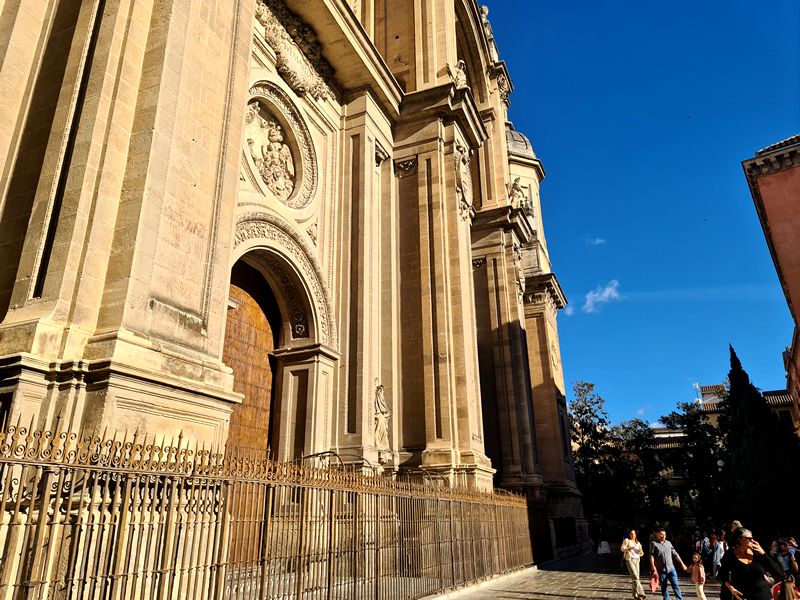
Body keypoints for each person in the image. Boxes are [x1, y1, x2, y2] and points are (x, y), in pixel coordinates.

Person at [719, 527, 783, 600]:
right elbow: (723, 575)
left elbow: (777, 572)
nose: (752, 541)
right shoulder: (730, 554)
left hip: (764, 596)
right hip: (743, 596)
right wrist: (732, 589)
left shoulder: (757, 553)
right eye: (749, 538)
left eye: (752, 538)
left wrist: (763, 553)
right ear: (739, 539)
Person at [650, 526, 689, 600]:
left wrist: (682, 564)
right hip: (661, 570)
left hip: (671, 569)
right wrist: (653, 566)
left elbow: (675, 554)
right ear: (657, 534)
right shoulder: (653, 544)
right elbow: (651, 555)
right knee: (664, 588)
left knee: (676, 586)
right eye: (661, 534)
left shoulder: (668, 543)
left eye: (664, 534)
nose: (663, 536)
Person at [622, 529, 646, 600]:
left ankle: (635, 594)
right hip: (630, 560)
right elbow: (622, 548)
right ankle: (641, 594)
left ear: (635, 535)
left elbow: (642, 553)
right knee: (635, 576)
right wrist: (629, 548)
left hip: (637, 560)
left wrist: (640, 551)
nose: (632, 535)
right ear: (629, 535)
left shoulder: (638, 543)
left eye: (633, 533)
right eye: (631, 534)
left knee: (635, 578)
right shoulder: (627, 540)